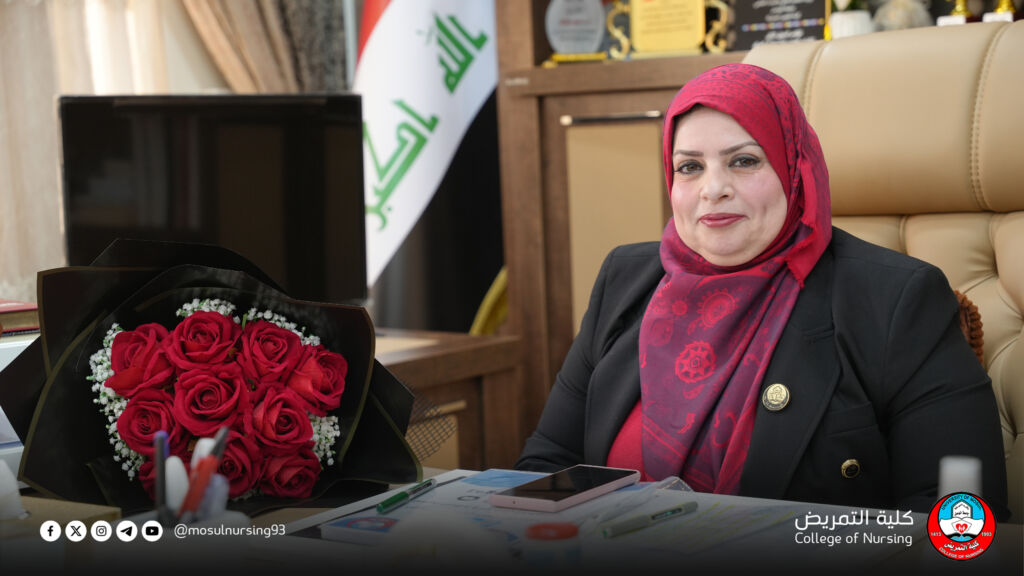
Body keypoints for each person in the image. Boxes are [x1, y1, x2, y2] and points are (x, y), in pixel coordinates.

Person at [515, 63, 1009, 520]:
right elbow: (547, 465)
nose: (713, 188)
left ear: (795, 170)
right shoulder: (625, 280)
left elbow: (963, 518)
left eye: (744, 161)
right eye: (690, 166)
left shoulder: (896, 299)